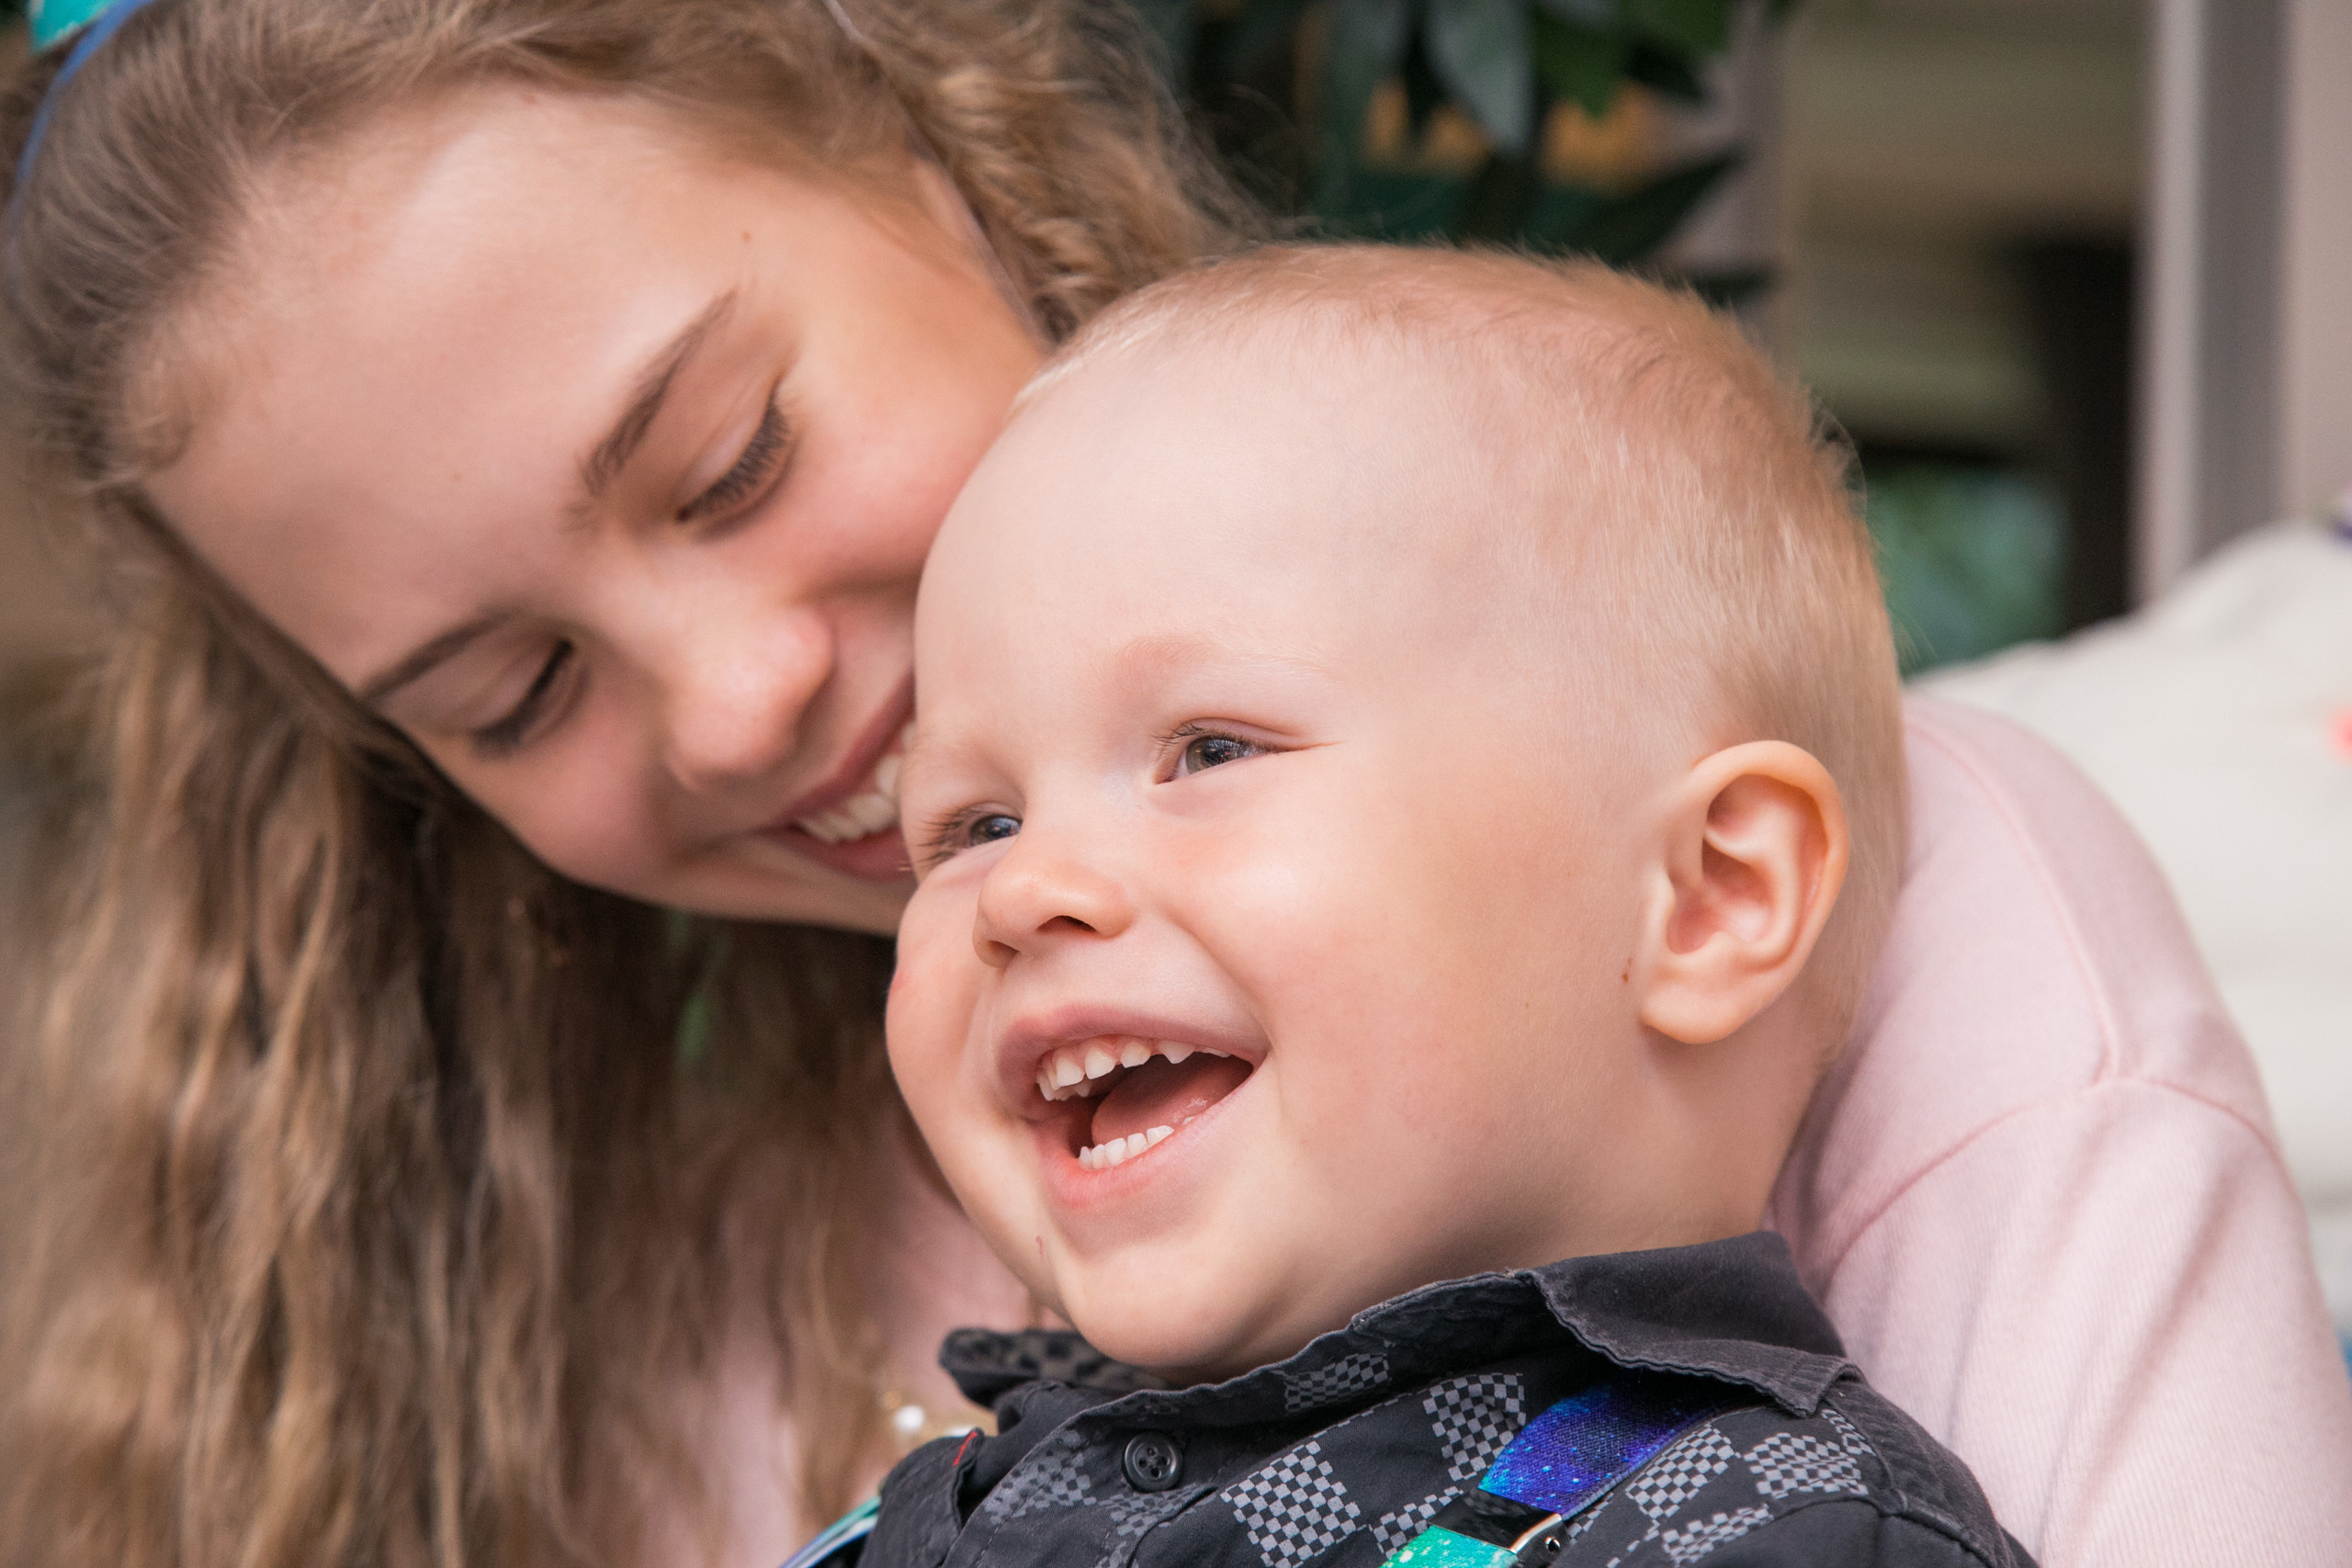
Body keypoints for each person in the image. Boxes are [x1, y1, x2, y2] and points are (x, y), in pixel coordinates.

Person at [0, 2, 2342, 1566]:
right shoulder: (640, 1299)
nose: (725, 708)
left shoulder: (1920, 921)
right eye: (509, 690)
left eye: (728, 459)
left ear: (953, 171)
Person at [873, 246, 2025, 1568]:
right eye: (972, 826)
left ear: (1710, 897)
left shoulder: (1769, 1533)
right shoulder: (952, 1501)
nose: (1022, 891)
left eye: (1210, 751)